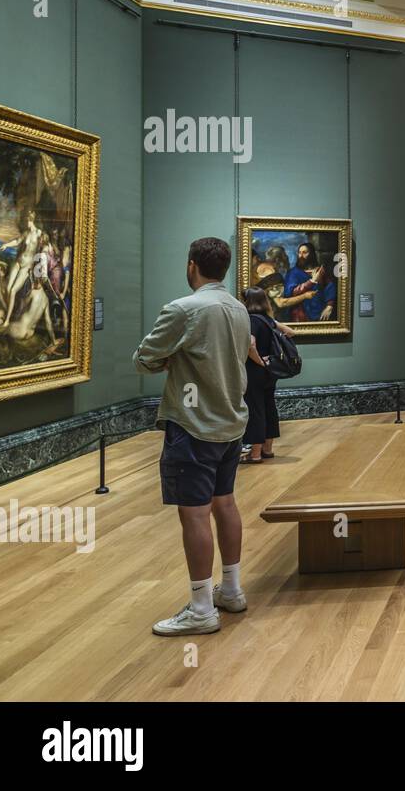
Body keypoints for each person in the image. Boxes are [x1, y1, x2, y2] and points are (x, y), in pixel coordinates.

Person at [133, 237, 251, 636]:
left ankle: (202, 607)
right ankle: (231, 589)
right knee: (226, 503)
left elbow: (144, 357)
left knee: (195, 513)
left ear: (191, 266)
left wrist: (170, 359)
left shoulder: (182, 309)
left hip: (194, 425)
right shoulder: (239, 308)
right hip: (231, 424)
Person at [241, 287, 294, 464]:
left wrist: (259, 361)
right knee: (269, 407)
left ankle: (254, 454)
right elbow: (291, 332)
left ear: (247, 301)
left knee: (255, 409)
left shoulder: (250, 320)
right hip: (270, 372)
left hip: (254, 371)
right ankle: (267, 450)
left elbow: (250, 345)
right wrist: (267, 363)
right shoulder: (267, 320)